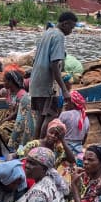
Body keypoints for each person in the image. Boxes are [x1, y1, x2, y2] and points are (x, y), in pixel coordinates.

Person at [29, 11, 76, 139]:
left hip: (36, 82)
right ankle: (43, 145)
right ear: (65, 24)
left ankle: (35, 145)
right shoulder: (59, 36)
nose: (71, 31)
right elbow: (54, 65)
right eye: (71, 28)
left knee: (41, 117)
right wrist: (64, 90)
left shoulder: (47, 33)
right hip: (47, 84)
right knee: (51, 115)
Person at [60, 90, 89, 155]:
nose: (65, 104)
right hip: (79, 150)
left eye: (67, 101)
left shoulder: (65, 114)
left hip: (64, 150)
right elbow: (84, 139)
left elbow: (57, 131)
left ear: (73, 103)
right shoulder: (85, 118)